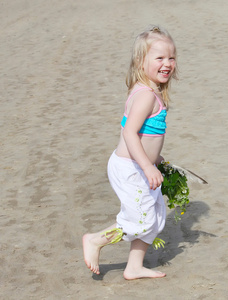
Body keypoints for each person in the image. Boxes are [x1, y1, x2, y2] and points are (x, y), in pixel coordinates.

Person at [82, 25, 178, 280]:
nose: (167, 63)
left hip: (141, 164)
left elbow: (149, 136)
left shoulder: (153, 91)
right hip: (129, 167)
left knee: (155, 217)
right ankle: (95, 240)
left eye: (171, 57)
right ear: (140, 61)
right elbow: (129, 133)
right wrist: (147, 166)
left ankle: (134, 266)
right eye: (159, 58)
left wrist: (155, 160)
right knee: (141, 217)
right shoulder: (146, 95)